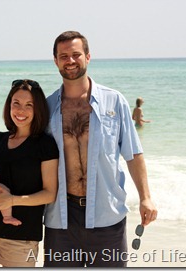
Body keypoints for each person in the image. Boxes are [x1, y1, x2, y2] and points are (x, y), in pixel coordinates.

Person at [43, 31, 158, 267]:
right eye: (63, 56)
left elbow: (133, 153)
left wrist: (146, 197)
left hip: (107, 216)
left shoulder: (114, 101)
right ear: (55, 60)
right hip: (61, 219)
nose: (70, 61)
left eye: (76, 54)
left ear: (88, 56)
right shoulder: (47, 107)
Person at [0, 79, 59, 267]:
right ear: (9, 106)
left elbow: (50, 194)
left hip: (22, 238)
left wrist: (12, 200)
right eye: (16, 103)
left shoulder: (45, 145)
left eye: (28, 105)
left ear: (38, 109)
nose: (21, 111)